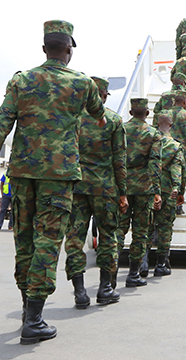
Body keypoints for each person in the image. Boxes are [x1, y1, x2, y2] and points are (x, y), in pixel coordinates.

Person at [0, 19, 106, 345]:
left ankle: (26, 310)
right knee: (47, 245)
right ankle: (34, 318)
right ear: (69, 49)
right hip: (58, 178)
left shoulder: (22, 81)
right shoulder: (82, 84)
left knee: (25, 244)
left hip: (21, 175)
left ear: (44, 48)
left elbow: (1, 123)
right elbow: (98, 114)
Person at [64, 77, 127, 309]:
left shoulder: (72, 117)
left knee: (74, 239)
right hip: (105, 189)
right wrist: (123, 193)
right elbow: (120, 160)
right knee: (108, 237)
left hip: (76, 188)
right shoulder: (112, 120)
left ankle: (80, 293)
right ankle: (105, 288)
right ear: (103, 95)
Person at [119, 98, 162, 288]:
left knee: (118, 230)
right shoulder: (153, 133)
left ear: (130, 113)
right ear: (147, 113)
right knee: (140, 231)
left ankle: (110, 273)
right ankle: (133, 273)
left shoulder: (120, 129)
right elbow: (155, 163)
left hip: (122, 187)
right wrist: (157, 191)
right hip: (144, 188)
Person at [150, 114, 185, 276]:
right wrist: (178, 188)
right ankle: (160, 264)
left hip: (147, 189)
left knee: (145, 226)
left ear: (157, 124)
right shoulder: (175, 145)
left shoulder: (149, 141)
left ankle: (141, 263)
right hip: (166, 190)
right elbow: (177, 169)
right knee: (165, 228)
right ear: (171, 125)